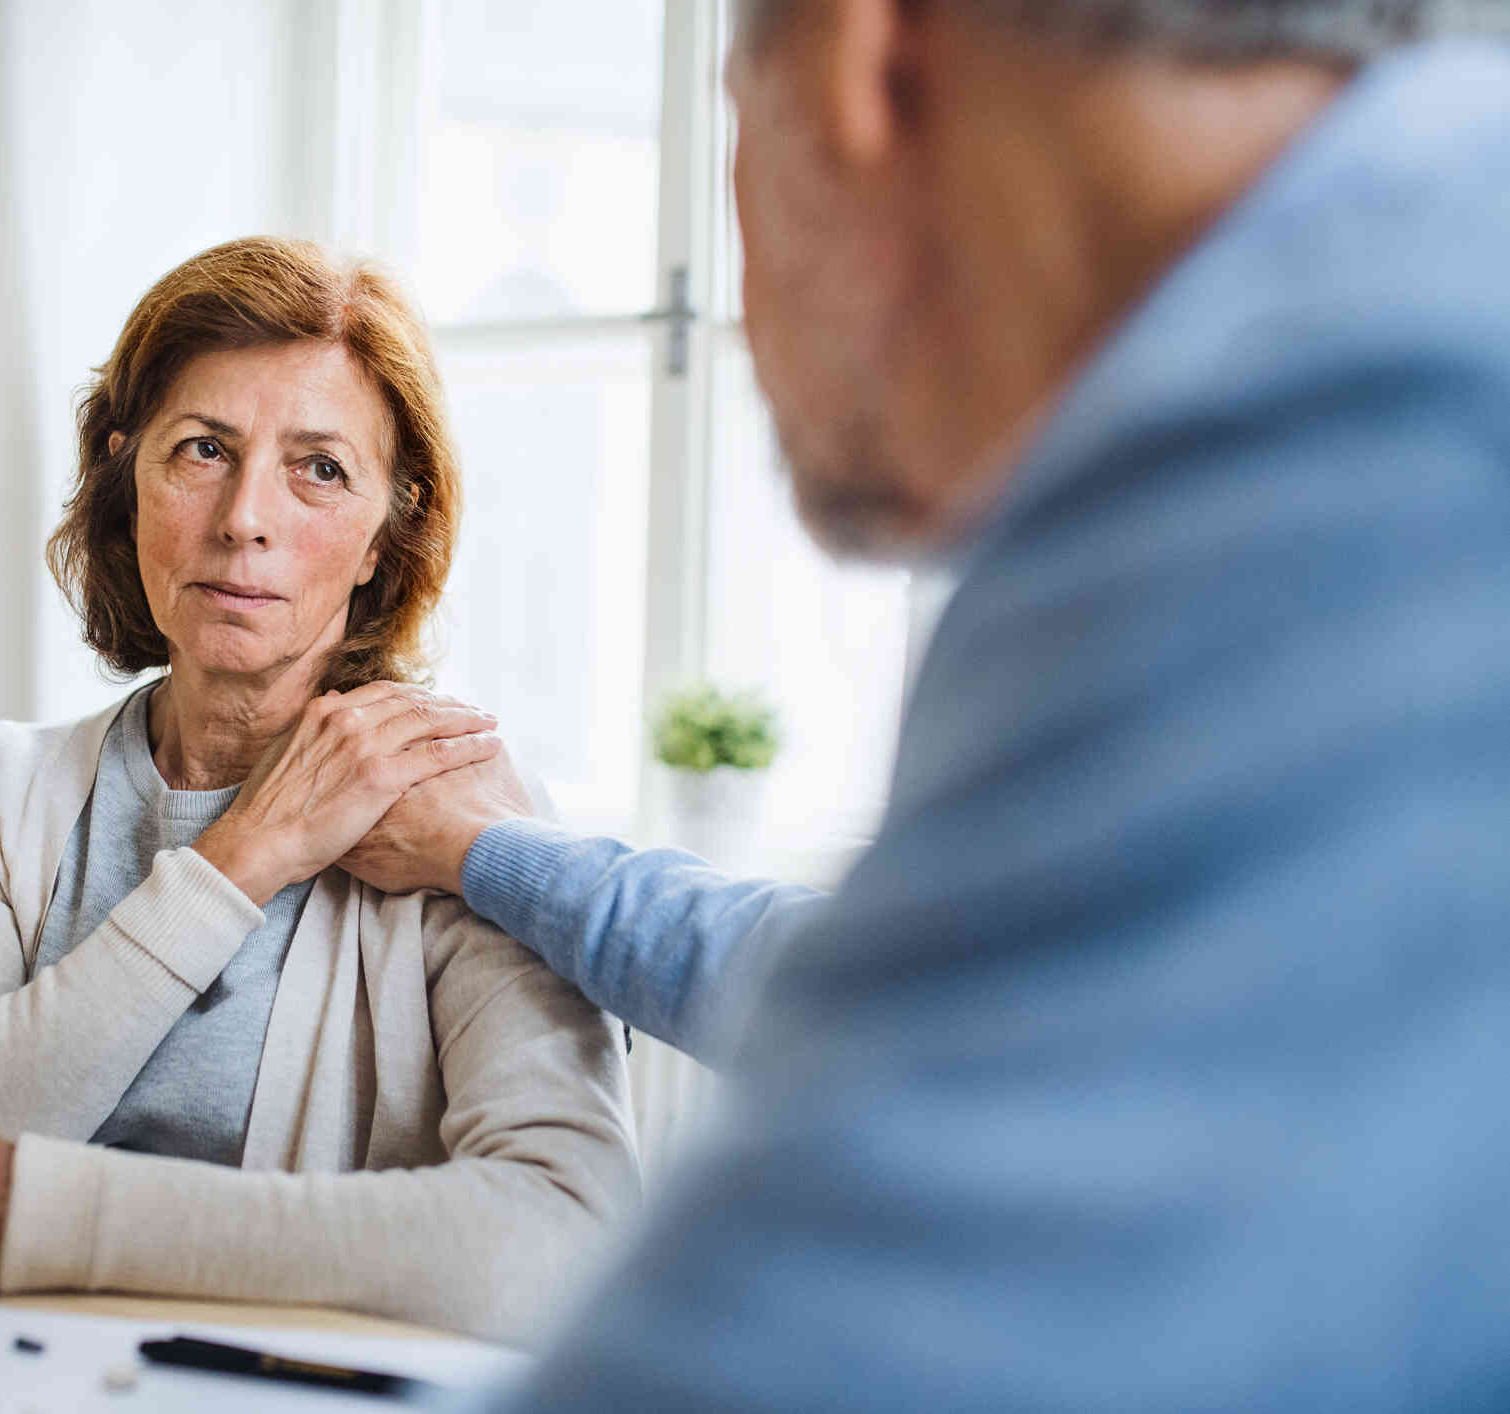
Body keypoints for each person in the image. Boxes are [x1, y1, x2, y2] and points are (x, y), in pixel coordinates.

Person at [337, 1, 1510, 1408]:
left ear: (859, 60)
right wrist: (488, 849)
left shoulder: (1346, 434)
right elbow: (944, 987)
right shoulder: (1425, 263)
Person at [0, 237, 639, 1342]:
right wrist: (241, 854)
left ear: (381, 535)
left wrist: (43, 1219)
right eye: (203, 450)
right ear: (126, 480)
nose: (243, 517)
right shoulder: (1, 789)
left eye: (320, 468)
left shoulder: (453, 804)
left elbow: (570, 1239)